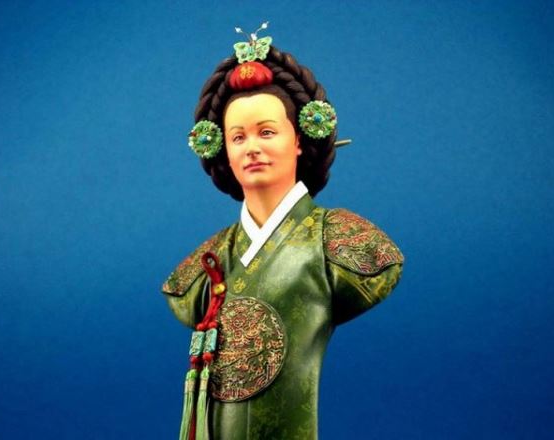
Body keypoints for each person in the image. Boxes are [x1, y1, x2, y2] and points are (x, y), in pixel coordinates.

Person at [162, 25, 404, 440]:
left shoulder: (338, 242)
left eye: (267, 132)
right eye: (238, 137)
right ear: (224, 150)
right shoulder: (206, 266)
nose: (251, 147)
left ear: (299, 140)